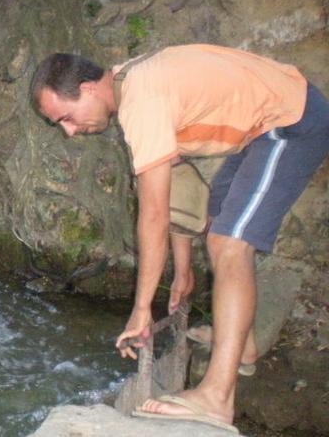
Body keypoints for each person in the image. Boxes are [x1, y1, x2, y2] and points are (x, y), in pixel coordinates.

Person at [30, 44, 329, 432]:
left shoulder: (142, 99)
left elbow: (152, 214)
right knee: (219, 220)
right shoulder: (127, 84)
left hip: (291, 122)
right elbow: (181, 185)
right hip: (261, 130)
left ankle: (217, 398)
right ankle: (244, 345)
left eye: (66, 118)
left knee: (230, 243)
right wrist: (182, 272)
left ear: (87, 89)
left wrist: (142, 309)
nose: (70, 132)